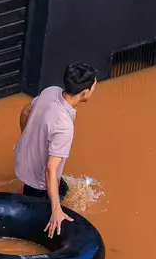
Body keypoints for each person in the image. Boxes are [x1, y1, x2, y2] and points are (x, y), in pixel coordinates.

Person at [15, 62, 98, 237]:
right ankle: (27, 198)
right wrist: (56, 210)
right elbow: (50, 169)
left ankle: (27, 193)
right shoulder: (64, 126)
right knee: (46, 205)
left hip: (21, 158)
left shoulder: (50, 91)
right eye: (94, 86)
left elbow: (24, 112)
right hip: (36, 179)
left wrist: (27, 137)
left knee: (63, 188)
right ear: (85, 92)